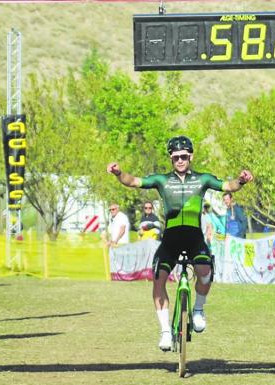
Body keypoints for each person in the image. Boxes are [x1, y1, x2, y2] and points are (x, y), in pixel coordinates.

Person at [107, 135, 253, 351]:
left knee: (205, 272)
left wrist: (241, 180)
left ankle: (198, 310)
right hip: (170, 240)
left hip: (195, 238)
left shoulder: (202, 180)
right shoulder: (162, 180)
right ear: (171, 158)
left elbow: (227, 186)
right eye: (176, 158)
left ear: (190, 156)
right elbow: (134, 181)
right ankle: (165, 331)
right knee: (158, 280)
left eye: (184, 156)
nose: (180, 161)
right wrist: (119, 173)